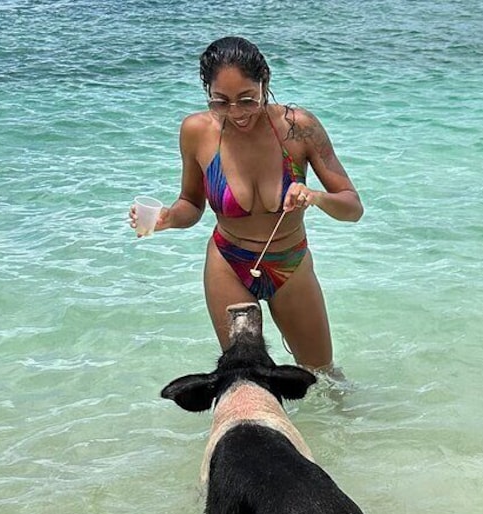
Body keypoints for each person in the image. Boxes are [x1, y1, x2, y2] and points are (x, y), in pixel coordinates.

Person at [129, 36, 362, 374]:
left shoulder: (299, 128)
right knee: (246, 376)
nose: (236, 113)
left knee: (323, 376)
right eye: (221, 102)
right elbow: (190, 205)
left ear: (264, 83)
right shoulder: (197, 131)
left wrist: (316, 197)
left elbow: (353, 207)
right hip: (229, 265)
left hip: (290, 266)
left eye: (247, 100)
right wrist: (167, 218)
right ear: (207, 92)